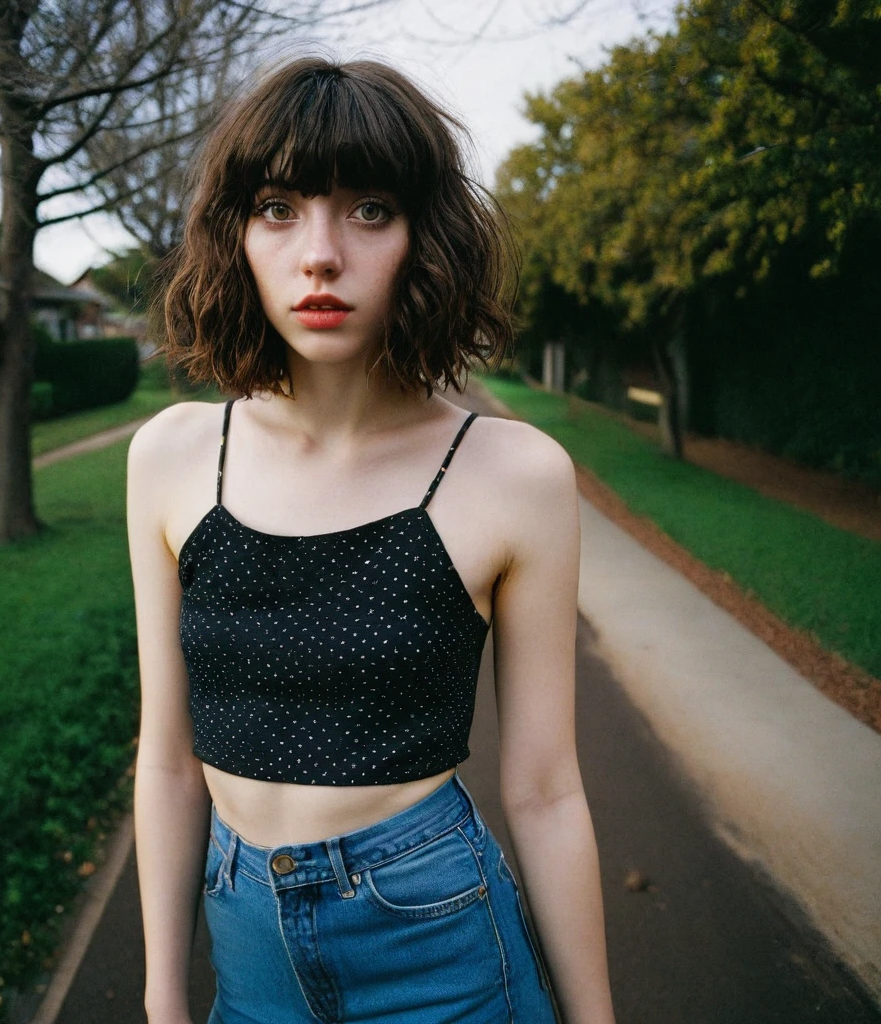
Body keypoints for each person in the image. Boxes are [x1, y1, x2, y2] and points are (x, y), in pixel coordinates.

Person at [126, 54, 615, 1024]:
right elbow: (169, 758)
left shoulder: (514, 475)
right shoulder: (173, 456)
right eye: (277, 207)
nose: (319, 254)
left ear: (422, 238)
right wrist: (161, 995)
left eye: (369, 209)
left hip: (438, 943)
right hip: (248, 951)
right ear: (236, 236)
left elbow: (547, 787)